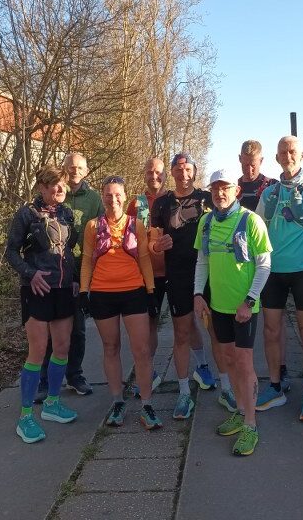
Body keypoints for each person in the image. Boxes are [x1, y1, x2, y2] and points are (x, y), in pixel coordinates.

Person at [150, 152, 235, 420]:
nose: (183, 173)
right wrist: (157, 246)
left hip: (210, 273)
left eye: (188, 168)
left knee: (216, 332)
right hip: (177, 275)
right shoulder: (161, 203)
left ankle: (227, 388)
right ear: (171, 172)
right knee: (182, 333)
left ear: (195, 172)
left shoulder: (207, 198)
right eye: (178, 168)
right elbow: (153, 241)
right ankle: (184, 392)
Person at [194, 169, 272, 456]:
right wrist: (198, 294)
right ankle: (240, 411)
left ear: (236, 191)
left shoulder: (251, 221)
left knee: (244, 363)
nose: (220, 193)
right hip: (219, 306)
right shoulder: (206, 222)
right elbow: (202, 262)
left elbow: (264, 265)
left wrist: (249, 301)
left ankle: (251, 424)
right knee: (227, 359)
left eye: (225, 188)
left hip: (244, 308)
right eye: (215, 188)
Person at [255, 136, 303, 422]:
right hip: (273, 271)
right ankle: (276, 386)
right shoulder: (268, 194)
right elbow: (257, 228)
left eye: (292, 152)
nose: (287, 156)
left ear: (301, 156)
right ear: (277, 158)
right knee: (271, 330)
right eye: (283, 152)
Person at [79, 175, 163, 430]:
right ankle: (117, 401)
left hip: (133, 291)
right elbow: (87, 260)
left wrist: (150, 291)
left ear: (125, 197)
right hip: (102, 293)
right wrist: (84, 291)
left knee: (142, 350)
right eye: (108, 195)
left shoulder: (136, 224)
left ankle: (146, 405)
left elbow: (144, 259)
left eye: (117, 195)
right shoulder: (93, 226)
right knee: (111, 347)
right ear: (102, 197)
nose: (113, 199)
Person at [5, 165, 80, 444]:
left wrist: (75, 278)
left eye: (62, 185)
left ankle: (52, 404)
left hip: (63, 289)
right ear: (42, 187)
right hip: (36, 289)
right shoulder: (27, 214)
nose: (59, 189)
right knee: (37, 351)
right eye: (53, 185)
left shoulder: (67, 213)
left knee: (62, 347)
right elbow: (10, 251)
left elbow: (70, 250)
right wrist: (30, 273)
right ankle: (25, 417)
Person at [35, 153, 101, 402]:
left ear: (86, 171)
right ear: (63, 169)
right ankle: (44, 381)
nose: (75, 171)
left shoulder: (94, 199)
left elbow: (102, 230)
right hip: (50, 271)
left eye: (79, 168)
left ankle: (75, 375)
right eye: (70, 167)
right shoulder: (50, 195)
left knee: (77, 329)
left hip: (79, 270)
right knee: (48, 331)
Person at [237, 139, 290, 392]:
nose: (249, 169)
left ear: (261, 161)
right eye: (245, 164)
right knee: (242, 317)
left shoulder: (272, 187)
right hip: (241, 266)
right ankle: (244, 372)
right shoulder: (233, 189)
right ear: (240, 160)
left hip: (267, 261)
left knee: (274, 322)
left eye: (254, 164)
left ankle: (281, 368)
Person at [126, 158, 168, 396]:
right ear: (144, 174)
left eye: (159, 172)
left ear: (165, 175)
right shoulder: (136, 204)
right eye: (150, 172)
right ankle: (149, 373)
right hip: (147, 274)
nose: (154, 176)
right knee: (150, 323)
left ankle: (201, 366)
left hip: (174, 271)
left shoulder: (173, 200)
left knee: (186, 323)